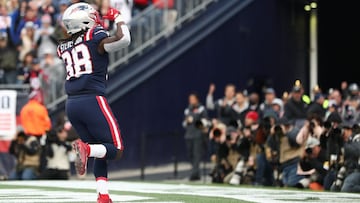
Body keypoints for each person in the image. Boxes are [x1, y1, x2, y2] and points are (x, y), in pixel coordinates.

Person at [57, 2, 130, 203]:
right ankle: (86, 150)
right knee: (116, 149)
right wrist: (119, 18)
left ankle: (103, 195)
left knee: (101, 149)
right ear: (85, 20)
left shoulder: (63, 46)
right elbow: (124, 39)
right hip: (92, 99)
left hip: (72, 104)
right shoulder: (94, 37)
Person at [182, 92, 208, 181]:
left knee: (197, 154)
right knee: (190, 154)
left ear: (197, 99)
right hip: (188, 135)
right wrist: (187, 121)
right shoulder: (187, 110)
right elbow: (184, 124)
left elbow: (205, 122)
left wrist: (194, 120)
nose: (191, 101)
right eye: (190, 99)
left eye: (193, 99)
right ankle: (196, 173)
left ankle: (194, 173)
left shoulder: (201, 109)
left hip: (198, 135)